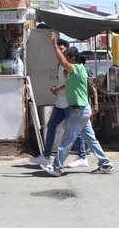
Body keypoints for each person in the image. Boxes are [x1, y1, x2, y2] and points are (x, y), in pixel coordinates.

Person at [40, 32, 114, 176]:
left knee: (67, 139)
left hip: (79, 110)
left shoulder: (79, 69)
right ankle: (105, 163)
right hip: (82, 110)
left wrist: (55, 46)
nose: (65, 62)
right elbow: (64, 67)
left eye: (67, 58)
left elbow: (64, 63)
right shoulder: (73, 73)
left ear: (73, 59)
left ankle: (57, 167)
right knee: (91, 139)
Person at [29, 38, 88, 167]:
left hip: (70, 103)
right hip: (60, 102)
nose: (60, 53)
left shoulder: (70, 66)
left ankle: (82, 156)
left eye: (62, 50)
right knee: (51, 126)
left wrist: (57, 88)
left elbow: (70, 83)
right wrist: (56, 89)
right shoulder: (60, 65)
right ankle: (46, 156)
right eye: (59, 50)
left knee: (75, 131)